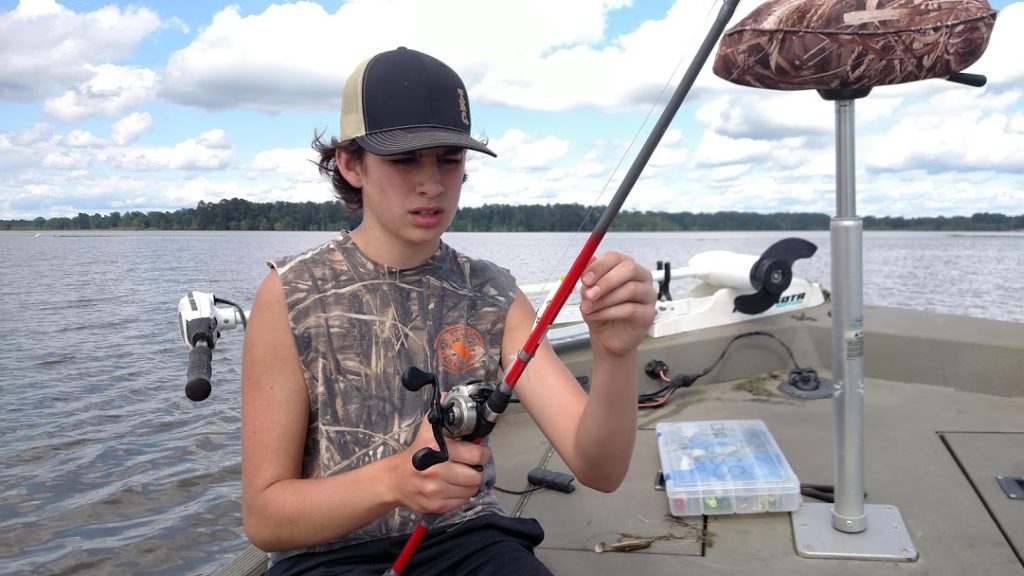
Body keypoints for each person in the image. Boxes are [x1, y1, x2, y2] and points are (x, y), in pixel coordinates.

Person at [240, 46, 657, 576]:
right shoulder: (290, 293)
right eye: (403, 159)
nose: (433, 184)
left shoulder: (493, 293)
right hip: (326, 556)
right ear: (351, 164)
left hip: (470, 541)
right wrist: (396, 481)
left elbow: (599, 468)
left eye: (449, 159)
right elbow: (265, 518)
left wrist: (615, 353)